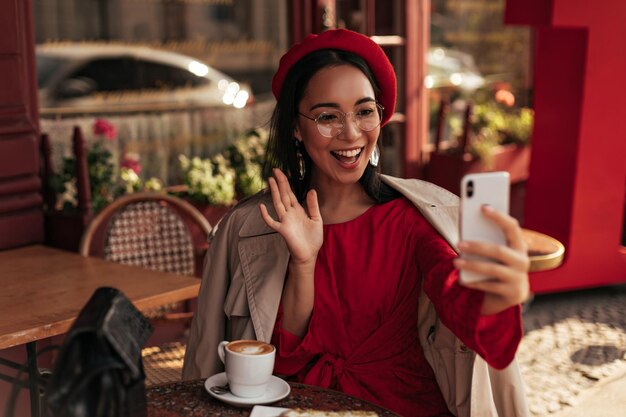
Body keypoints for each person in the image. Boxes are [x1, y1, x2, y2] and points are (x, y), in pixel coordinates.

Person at [183, 29, 530, 417]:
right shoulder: (250, 227)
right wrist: (303, 261)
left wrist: (497, 300)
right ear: (296, 128)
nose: (350, 133)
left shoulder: (412, 221)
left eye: (365, 112)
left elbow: (473, 322)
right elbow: (280, 365)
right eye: (327, 116)